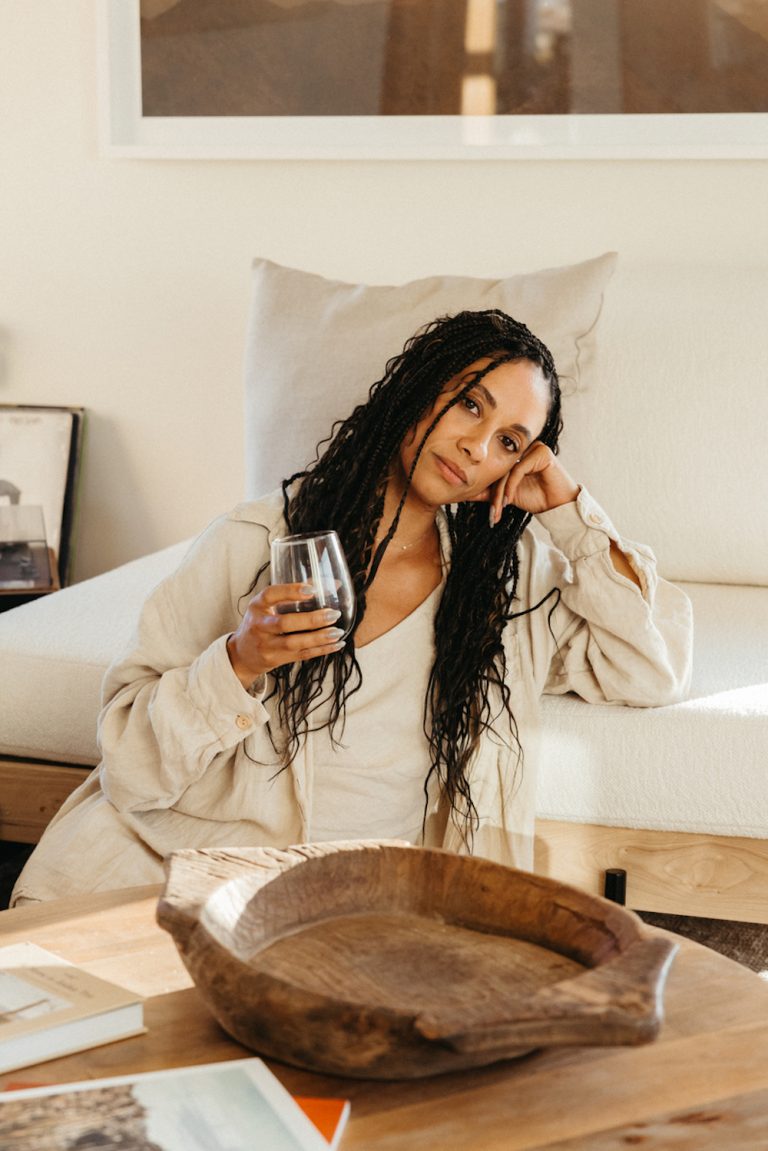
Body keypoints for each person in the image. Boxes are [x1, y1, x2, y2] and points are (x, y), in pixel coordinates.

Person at [12, 309, 692, 905]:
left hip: (343, 907)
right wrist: (238, 660)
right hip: (169, 866)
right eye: (471, 405)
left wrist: (573, 512)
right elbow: (129, 766)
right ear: (420, 387)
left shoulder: (504, 589)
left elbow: (649, 668)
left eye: (511, 442)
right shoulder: (256, 540)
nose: (477, 446)